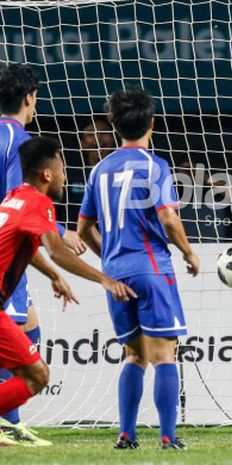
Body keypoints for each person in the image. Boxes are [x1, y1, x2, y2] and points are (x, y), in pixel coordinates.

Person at [77, 87, 200, 451]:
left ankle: (127, 435)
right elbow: (168, 218)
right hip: (151, 269)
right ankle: (167, 436)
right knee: (164, 354)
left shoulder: (99, 169)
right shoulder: (155, 165)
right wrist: (189, 252)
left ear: (115, 125)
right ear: (152, 122)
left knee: (133, 354)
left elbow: (83, 229)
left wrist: (111, 259)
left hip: (115, 274)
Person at [0, 137, 135, 446]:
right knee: (36, 376)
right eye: (61, 167)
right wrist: (104, 279)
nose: (65, 174)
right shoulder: (38, 202)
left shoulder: (14, 198)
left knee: (26, 370)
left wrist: (53, 276)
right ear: (46, 174)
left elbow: (28, 247)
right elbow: (57, 250)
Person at [0, 62, 87, 446]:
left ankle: (10, 422)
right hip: (6, 246)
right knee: (18, 333)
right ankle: (7, 425)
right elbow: (17, 204)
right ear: (29, 98)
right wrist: (62, 232)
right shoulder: (17, 141)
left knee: (28, 322)